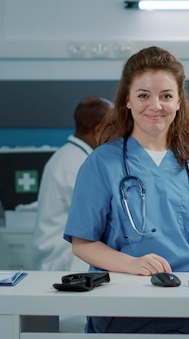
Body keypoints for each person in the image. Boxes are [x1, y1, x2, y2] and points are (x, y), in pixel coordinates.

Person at [63, 46, 189, 335]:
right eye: (143, 95)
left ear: (178, 103)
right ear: (127, 100)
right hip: (127, 296)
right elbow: (82, 243)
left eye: (166, 96)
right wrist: (132, 263)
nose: (155, 105)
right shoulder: (102, 163)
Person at [32, 97, 113, 272]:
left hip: (62, 259)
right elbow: (97, 220)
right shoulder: (78, 164)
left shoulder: (67, 155)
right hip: (67, 262)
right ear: (98, 130)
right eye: (114, 128)